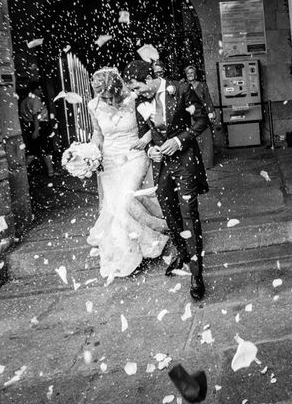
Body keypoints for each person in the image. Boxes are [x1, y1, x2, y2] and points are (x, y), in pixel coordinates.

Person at [124, 60, 210, 300]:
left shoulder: (180, 89)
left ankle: (196, 273)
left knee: (188, 214)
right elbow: (144, 132)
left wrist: (180, 140)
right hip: (161, 165)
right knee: (169, 212)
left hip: (185, 162)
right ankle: (182, 253)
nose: (136, 94)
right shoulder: (141, 101)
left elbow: (202, 121)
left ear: (150, 78)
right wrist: (149, 148)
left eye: (138, 88)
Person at [86, 67, 169, 278]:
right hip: (109, 160)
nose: (104, 98)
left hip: (134, 156)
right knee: (115, 208)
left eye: (107, 93)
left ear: (116, 87)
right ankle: (129, 254)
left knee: (125, 200)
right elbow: (98, 133)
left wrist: (146, 141)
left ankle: (156, 230)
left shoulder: (134, 99)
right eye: (100, 94)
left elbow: (156, 123)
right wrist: (91, 153)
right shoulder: (93, 106)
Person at [181, 65, 216, 168]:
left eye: (192, 73)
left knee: (206, 139)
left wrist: (211, 111)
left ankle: (207, 163)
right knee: (192, 139)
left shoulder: (202, 85)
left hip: (202, 115)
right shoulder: (183, 86)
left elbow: (208, 100)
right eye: (188, 73)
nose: (190, 75)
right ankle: (195, 163)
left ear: (195, 74)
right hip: (189, 115)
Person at [19, 82, 55, 176]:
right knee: (44, 149)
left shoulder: (24, 101)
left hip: (29, 126)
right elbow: (36, 116)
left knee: (33, 150)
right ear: (34, 90)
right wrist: (36, 130)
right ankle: (50, 172)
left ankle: (23, 171)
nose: (40, 91)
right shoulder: (36, 101)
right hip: (39, 126)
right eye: (39, 89)